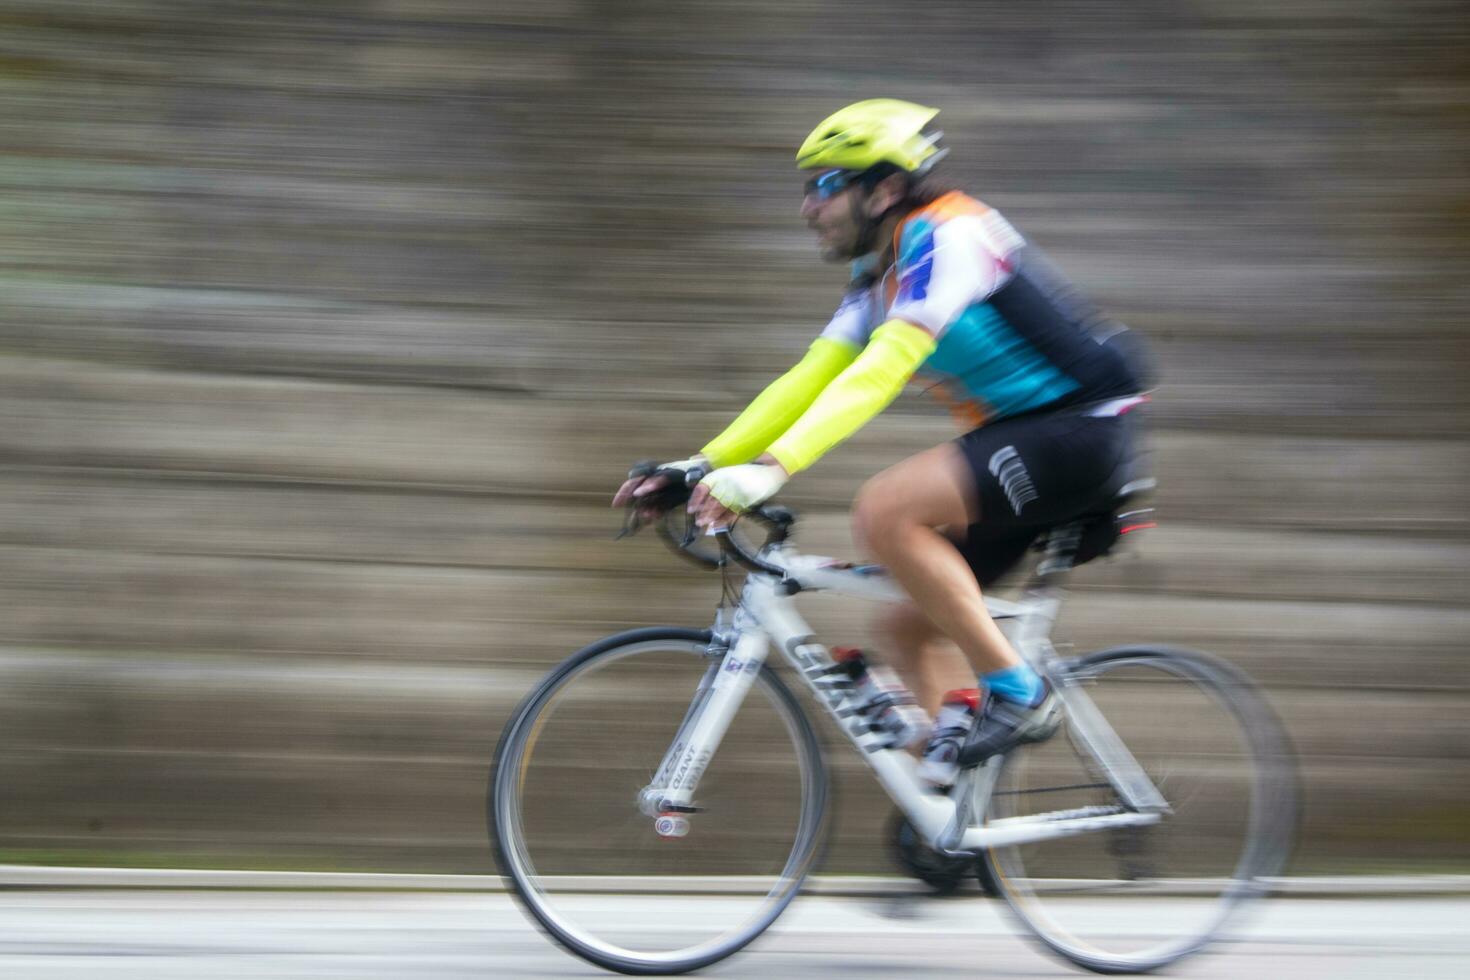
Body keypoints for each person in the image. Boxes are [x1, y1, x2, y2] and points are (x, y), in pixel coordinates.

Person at [613, 99, 1152, 786]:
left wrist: (771, 470)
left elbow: (880, 372)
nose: (808, 206)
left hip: (1082, 429)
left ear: (886, 188)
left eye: (826, 184)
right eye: (806, 188)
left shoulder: (947, 236)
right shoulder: (877, 277)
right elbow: (809, 378)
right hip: (1028, 441)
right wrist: (702, 464)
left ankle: (1019, 692)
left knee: (886, 510)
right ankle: (952, 818)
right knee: (906, 630)